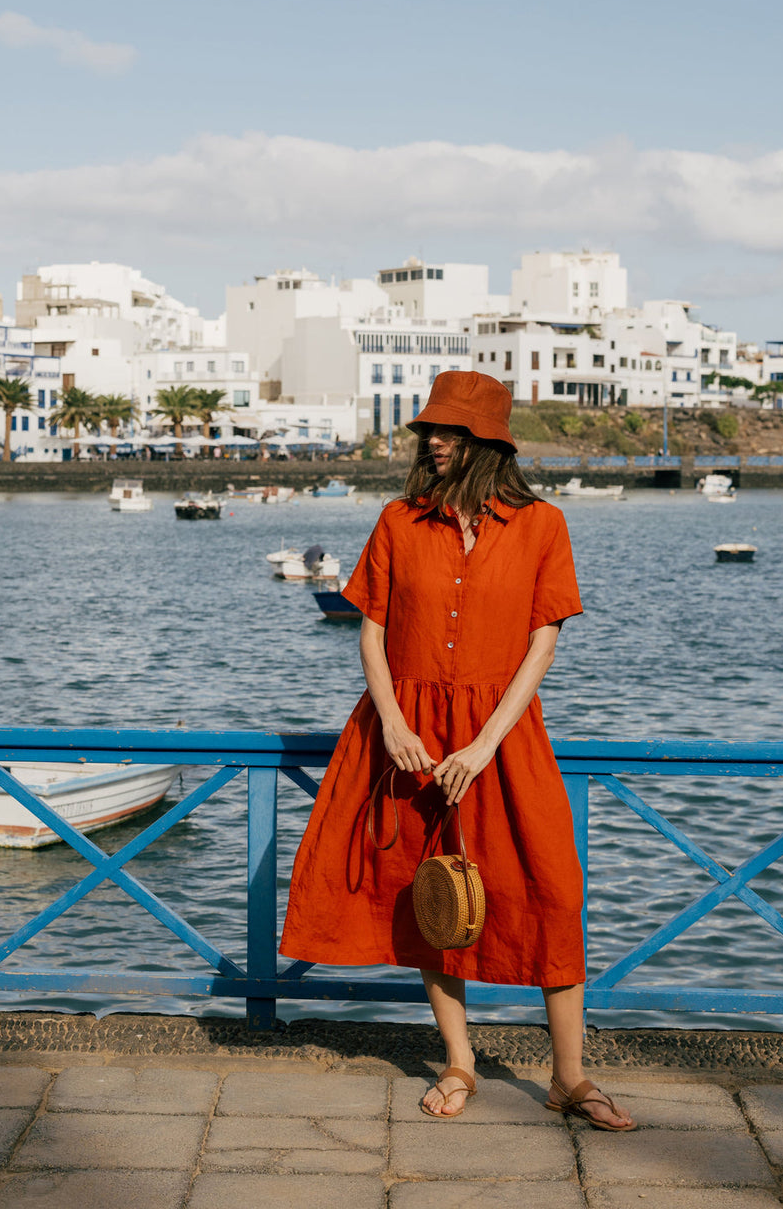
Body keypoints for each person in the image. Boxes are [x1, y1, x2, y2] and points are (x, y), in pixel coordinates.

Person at [281, 371, 634, 1130]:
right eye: (430, 431)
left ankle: (569, 1077)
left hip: (501, 737)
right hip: (404, 738)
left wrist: (482, 743)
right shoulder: (399, 520)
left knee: (552, 891)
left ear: (487, 445)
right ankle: (459, 1062)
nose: (434, 442)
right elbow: (370, 630)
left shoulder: (542, 525)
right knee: (435, 898)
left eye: (450, 432)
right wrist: (395, 723)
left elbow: (544, 643)